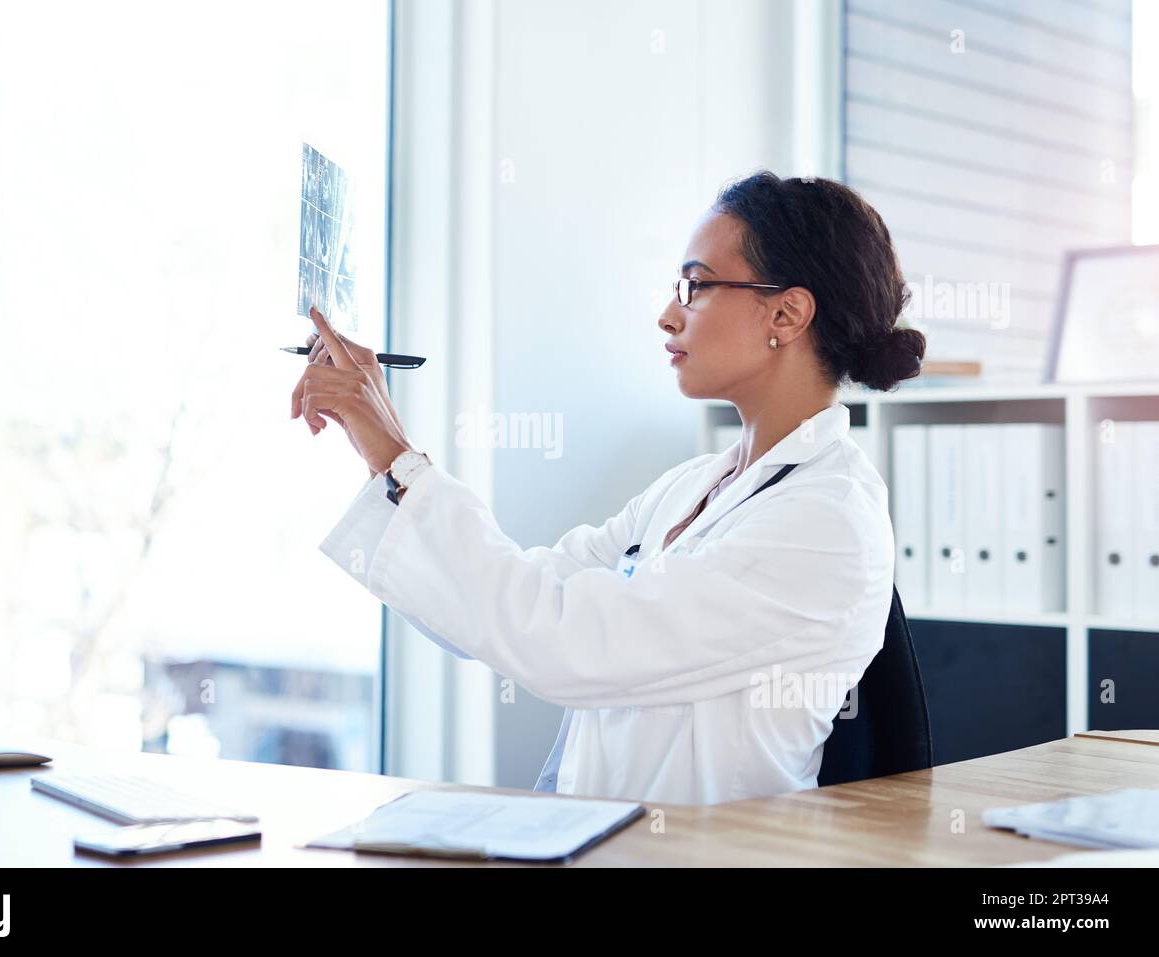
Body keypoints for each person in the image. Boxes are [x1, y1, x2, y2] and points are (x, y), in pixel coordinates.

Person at [291, 171, 926, 805]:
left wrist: (400, 460)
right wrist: (388, 461)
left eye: (695, 286)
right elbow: (504, 607)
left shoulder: (826, 521)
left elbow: (566, 645)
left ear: (785, 314)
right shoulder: (693, 486)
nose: (668, 314)